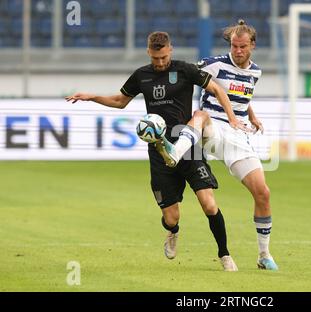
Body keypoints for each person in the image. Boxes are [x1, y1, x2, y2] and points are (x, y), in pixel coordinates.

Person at [65, 31, 246, 271]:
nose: (159, 63)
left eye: (163, 57)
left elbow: (218, 90)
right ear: (149, 53)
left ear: (170, 49)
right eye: (155, 58)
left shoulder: (185, 70)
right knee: (172, 218)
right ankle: (173, 232)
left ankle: (225, 255)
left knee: (209, 204)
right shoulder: (141, 75)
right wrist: (92, 97)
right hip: (160, 151)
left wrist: (232, 118)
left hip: (188, 148)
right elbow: (120, 101)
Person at [156, 20, 278, 270]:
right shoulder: (213, 63)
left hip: (238, 135)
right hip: (213, 128)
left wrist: (251, 115)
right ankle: (174, 152)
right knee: (200, 115)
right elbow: (184, 72)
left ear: (252, 45)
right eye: (234, 46)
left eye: (243, 47)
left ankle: (264, 256)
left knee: (263, 193)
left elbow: (242, 94)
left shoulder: (256, 72)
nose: (238, 51)